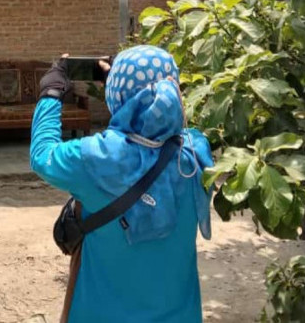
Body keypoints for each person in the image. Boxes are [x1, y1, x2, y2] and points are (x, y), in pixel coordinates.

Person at [31, 45, 213, 323]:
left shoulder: (95, 160)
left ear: (117, 95)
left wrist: (51, 92)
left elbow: (42, 155)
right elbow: (164, 124)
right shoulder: (195, 153)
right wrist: (129, 88)